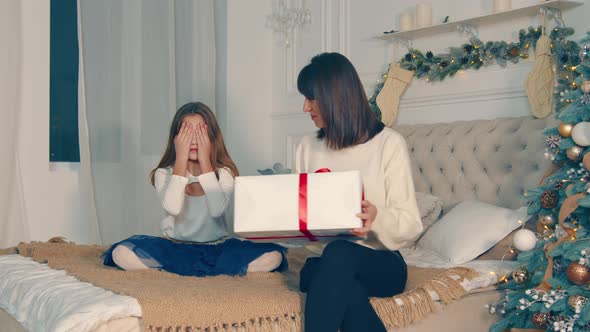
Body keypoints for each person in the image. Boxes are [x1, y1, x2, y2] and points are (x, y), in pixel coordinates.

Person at [295, 53, 423, 331]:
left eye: (311, 98)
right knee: (327, 271)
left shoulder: (389, 143)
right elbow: (303, 220)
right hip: (330, 261)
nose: (305, 107)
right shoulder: (307, 146)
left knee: (331, 261)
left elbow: (411, 223)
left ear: (334, 96)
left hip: (383, 263)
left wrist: (376, 218)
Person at [102, 102, 287, 277]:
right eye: (186, 133)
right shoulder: (163, 174)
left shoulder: (224, 172)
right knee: (121, 253)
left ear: (212, 137)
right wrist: (181, 159)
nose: (193, 140)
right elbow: (173, 208)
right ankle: (195, 270)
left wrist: (205, 160)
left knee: (274, 257)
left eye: (200, 132)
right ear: (176, 138)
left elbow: (217, 210)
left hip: (217, 247)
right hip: (174, 247)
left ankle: (195, 270)